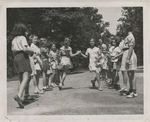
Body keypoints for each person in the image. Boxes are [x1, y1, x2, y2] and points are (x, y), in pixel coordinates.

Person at [11, 23, 34, 108]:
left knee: (20, 79)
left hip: (16, 57)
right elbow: (25, 49)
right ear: (22, 31)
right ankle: (19, 95)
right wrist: (32, 51)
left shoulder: (14, 39)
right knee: (26, 78)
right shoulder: (22, 38)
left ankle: (20, 98)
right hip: (23, 56)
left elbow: (13, 51)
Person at [120, 23, 137, 98]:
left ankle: (134, 92)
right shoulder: (127, 36)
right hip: (126, 53)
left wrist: (127, 58)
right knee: (129, 73)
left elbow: (131, 48)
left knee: (131, 74)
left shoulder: (130, 36)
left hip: (129, 55)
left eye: (125, 27)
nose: (124, 29)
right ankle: (130, 90)